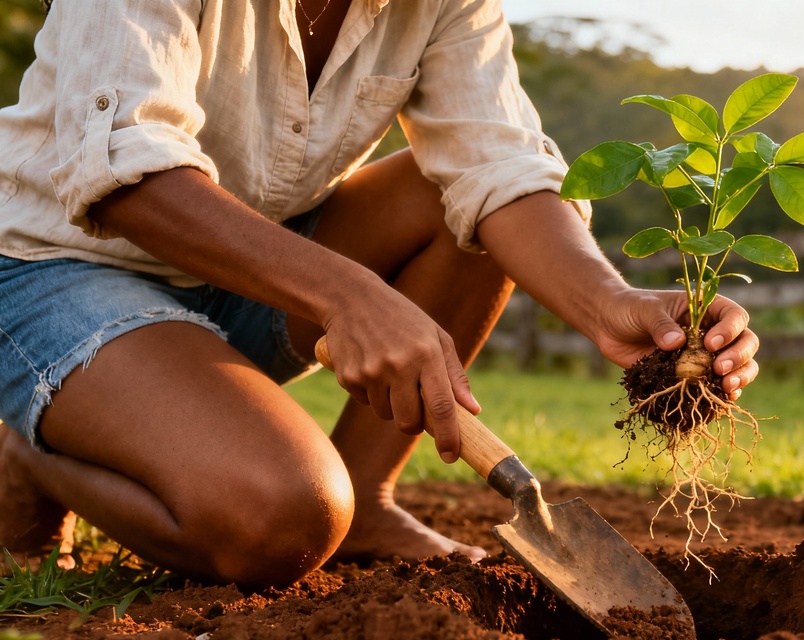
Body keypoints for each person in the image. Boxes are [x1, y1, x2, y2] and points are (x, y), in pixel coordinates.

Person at [0, 0, 759, 587]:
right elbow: (128, 171)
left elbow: (499, 165)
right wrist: (347, 295)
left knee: (461, 202)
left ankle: (367, 498)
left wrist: (610, 302)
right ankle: (28, 454)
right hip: (51, 266)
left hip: (249, 272)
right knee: (282, 515)